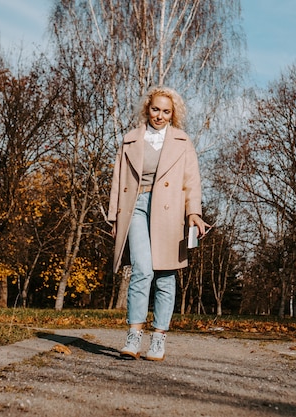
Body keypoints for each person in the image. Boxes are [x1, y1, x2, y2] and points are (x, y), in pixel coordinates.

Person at [108, 86, 208, 361]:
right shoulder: (130, 140)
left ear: (173, 113)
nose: (160, 116)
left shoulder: (182, 141)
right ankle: (134, 335)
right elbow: (118, 179)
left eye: (166, 111)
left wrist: (194, 214)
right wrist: (114, 217)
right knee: (142, 269)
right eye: (155, 109)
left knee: (165, 274)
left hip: (170, 211)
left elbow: (191, 182)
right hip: (136, 208)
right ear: (147, 109)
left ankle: (159, 337)